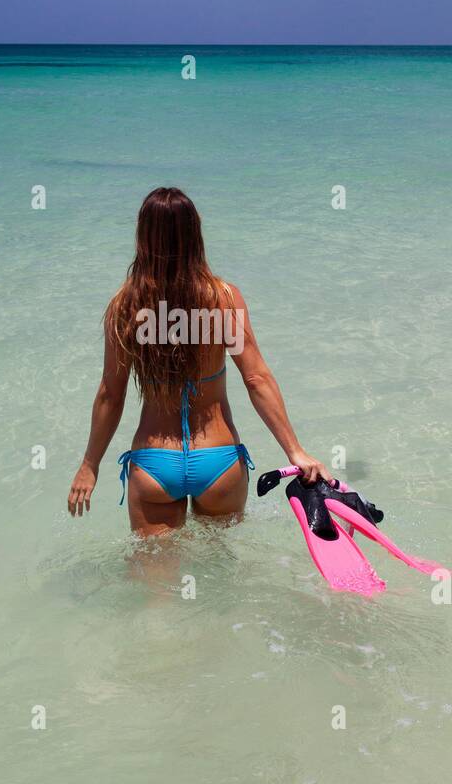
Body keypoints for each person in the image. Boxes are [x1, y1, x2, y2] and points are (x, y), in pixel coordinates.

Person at [68, 187, 331, 537]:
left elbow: (109, 395)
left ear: (142, 235)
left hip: (154, 464)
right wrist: (295, 451)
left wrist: (90, 466)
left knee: (156, 585)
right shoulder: (223, 299)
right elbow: (255, 379)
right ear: (196, 231)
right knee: (220, 578)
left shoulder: (126, 307)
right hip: (219, 463)